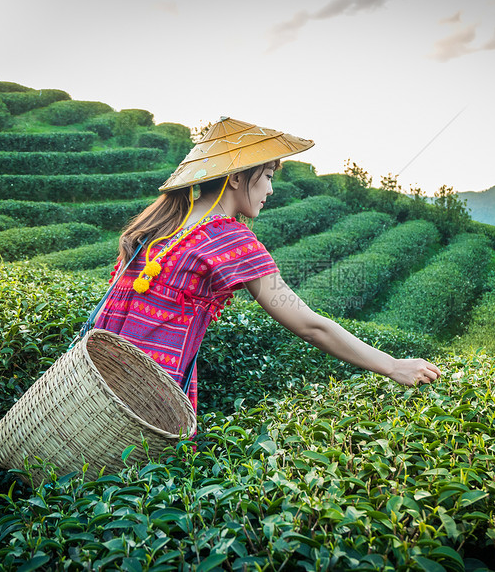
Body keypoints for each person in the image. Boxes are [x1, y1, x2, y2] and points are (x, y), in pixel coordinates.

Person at [95, 117, 441, 412]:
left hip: (94, 380)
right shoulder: (229, 239)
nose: (271, 190)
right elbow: (309, 325)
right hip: (148, 398)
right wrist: (393, 366)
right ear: (235, 178)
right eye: (269, 176)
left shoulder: (158, 225)